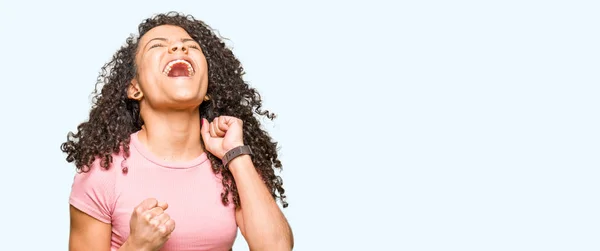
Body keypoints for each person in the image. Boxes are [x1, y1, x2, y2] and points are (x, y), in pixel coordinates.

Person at [61, 12, 293, 251]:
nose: (178, 48)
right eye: (158, 46)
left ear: (206, 91)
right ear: (135, 88)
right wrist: (137, 246)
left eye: (190, 46)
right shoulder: (103, 172)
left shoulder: (229, 163)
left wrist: (237, 155)